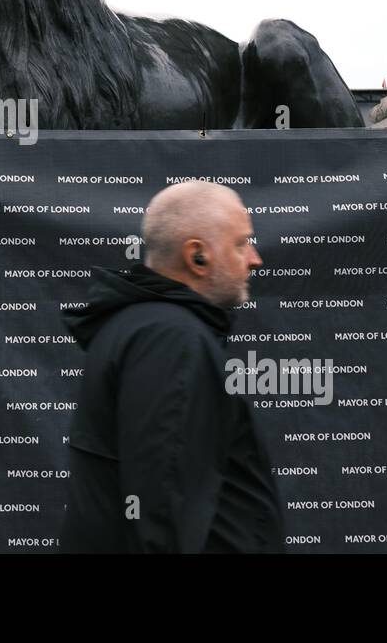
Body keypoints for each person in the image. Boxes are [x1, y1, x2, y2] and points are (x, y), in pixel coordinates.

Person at [59, 180, 285, 553]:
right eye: (241, 243)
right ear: (198, 256)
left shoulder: (145, 326)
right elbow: (161, 503)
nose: (255, 258)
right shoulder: (171, 339)